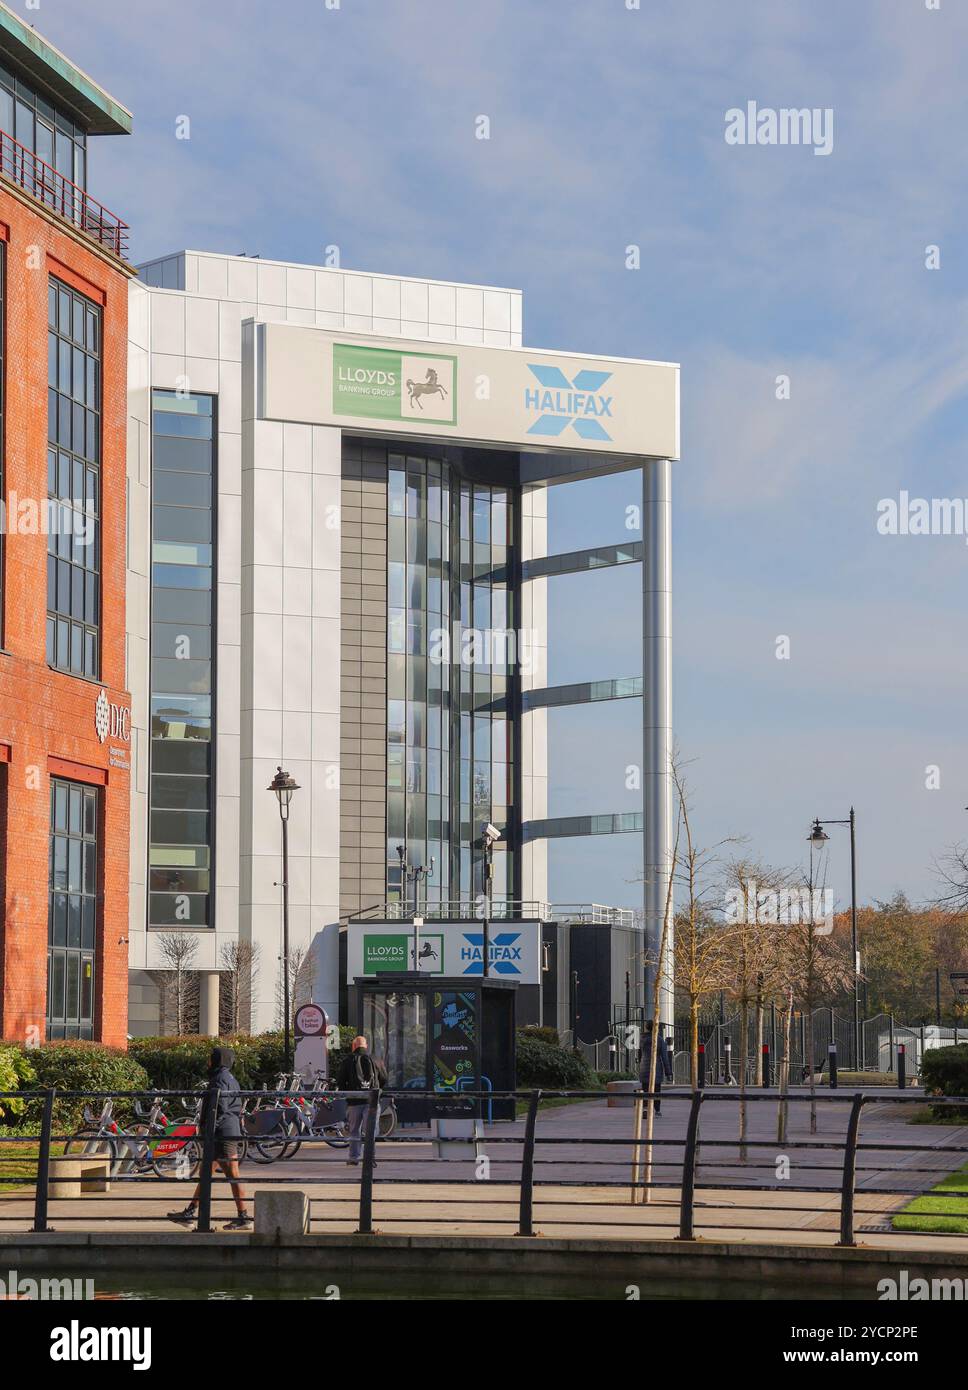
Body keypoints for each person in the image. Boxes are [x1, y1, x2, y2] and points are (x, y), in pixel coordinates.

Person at [167, 1046, 251, 1230]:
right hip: (228, 1130)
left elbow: (219, 1107)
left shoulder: (219, 1079)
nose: (208, 1062)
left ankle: (243, 1217)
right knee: (207, 1173)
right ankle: (190, 1212)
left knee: (232, 1174)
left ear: (217, 1060)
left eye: (210, 1058)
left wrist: (209, 1129)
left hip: (221, 1133)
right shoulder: (230, 1078)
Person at [335, 1035, 387, 1165]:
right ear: (366, 1046)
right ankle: (370, 1159)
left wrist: (349, 1093)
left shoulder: (348, 1060)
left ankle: (353, 1158)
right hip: (372, 1101)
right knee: (370, 1131)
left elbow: (340, 1081)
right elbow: (384, 1078)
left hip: (354, 1101)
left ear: (354, 1046)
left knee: (354, 1130)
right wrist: (376, 1090)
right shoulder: (375, 1059)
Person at [638, 1020, 674, 1115]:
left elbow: (639, 1055)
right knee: (657, 1090)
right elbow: (665, 1058)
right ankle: (657, 1110)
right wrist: (668, 1072)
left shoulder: (642, 1039)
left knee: (645, 1089)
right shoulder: (659, 1040)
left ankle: (645, 1108)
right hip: (656, 1068)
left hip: (644, 1068)